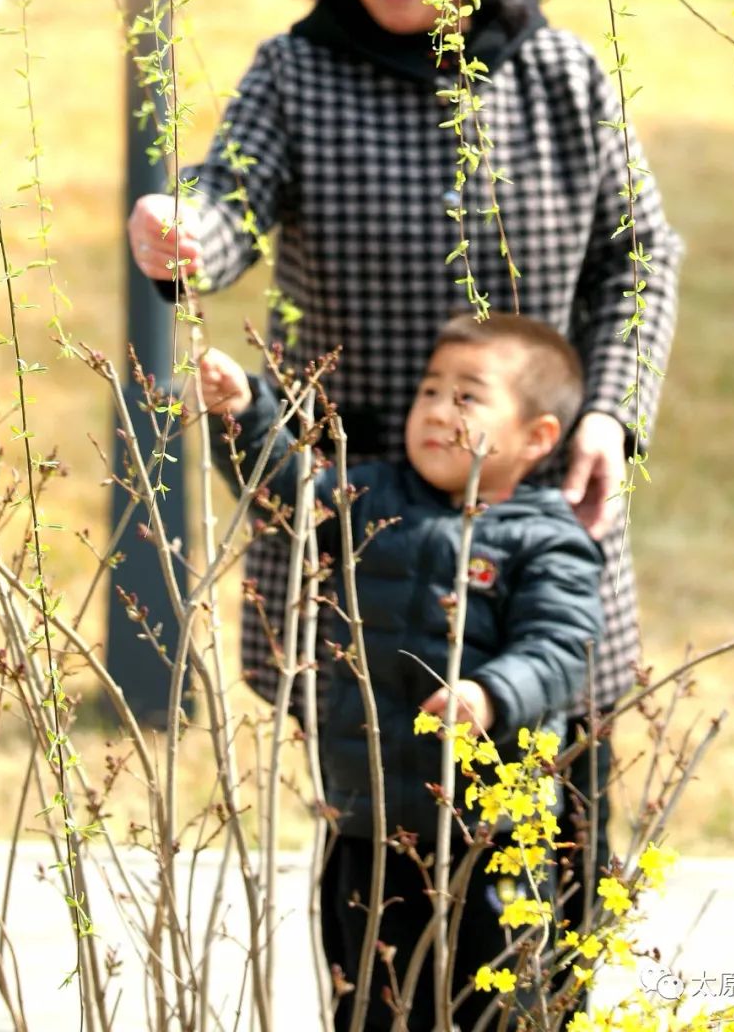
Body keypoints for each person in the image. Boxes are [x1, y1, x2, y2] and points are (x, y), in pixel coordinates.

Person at [128, 0, 682, 900]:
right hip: (357, 519)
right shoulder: (298, 75)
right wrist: (183, 228)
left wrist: (611, 415)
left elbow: (641, 254)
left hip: (533, 511)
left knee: (551, 873)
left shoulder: (560, 77)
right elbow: (232, 192)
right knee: (379, 888)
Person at [199, 311, 604, 1032]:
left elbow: (559, 648)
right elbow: (285, 492)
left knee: (495, 1006)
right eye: (429, 391)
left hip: (491, 832)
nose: (438, 411)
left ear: (538, 437)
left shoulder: (546, 541)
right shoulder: (371, 500)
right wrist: (246, 414)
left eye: (467, 396)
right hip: (369, 822)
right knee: (370, 997)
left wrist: (492, 692)